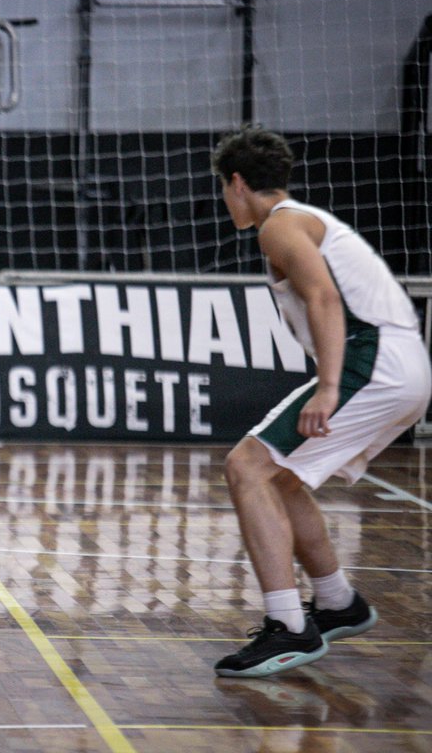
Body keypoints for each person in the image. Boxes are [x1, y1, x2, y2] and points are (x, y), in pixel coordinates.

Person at [210, 127, 430, 678]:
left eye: (223, 188)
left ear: (237, 183)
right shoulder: (301, 219)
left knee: (246, 468)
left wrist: (329, 388)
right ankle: (336, 603)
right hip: (400, 363)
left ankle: (288, 627)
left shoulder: (279, 226)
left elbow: (324, 297)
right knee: (282, 480)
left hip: (373, 361)